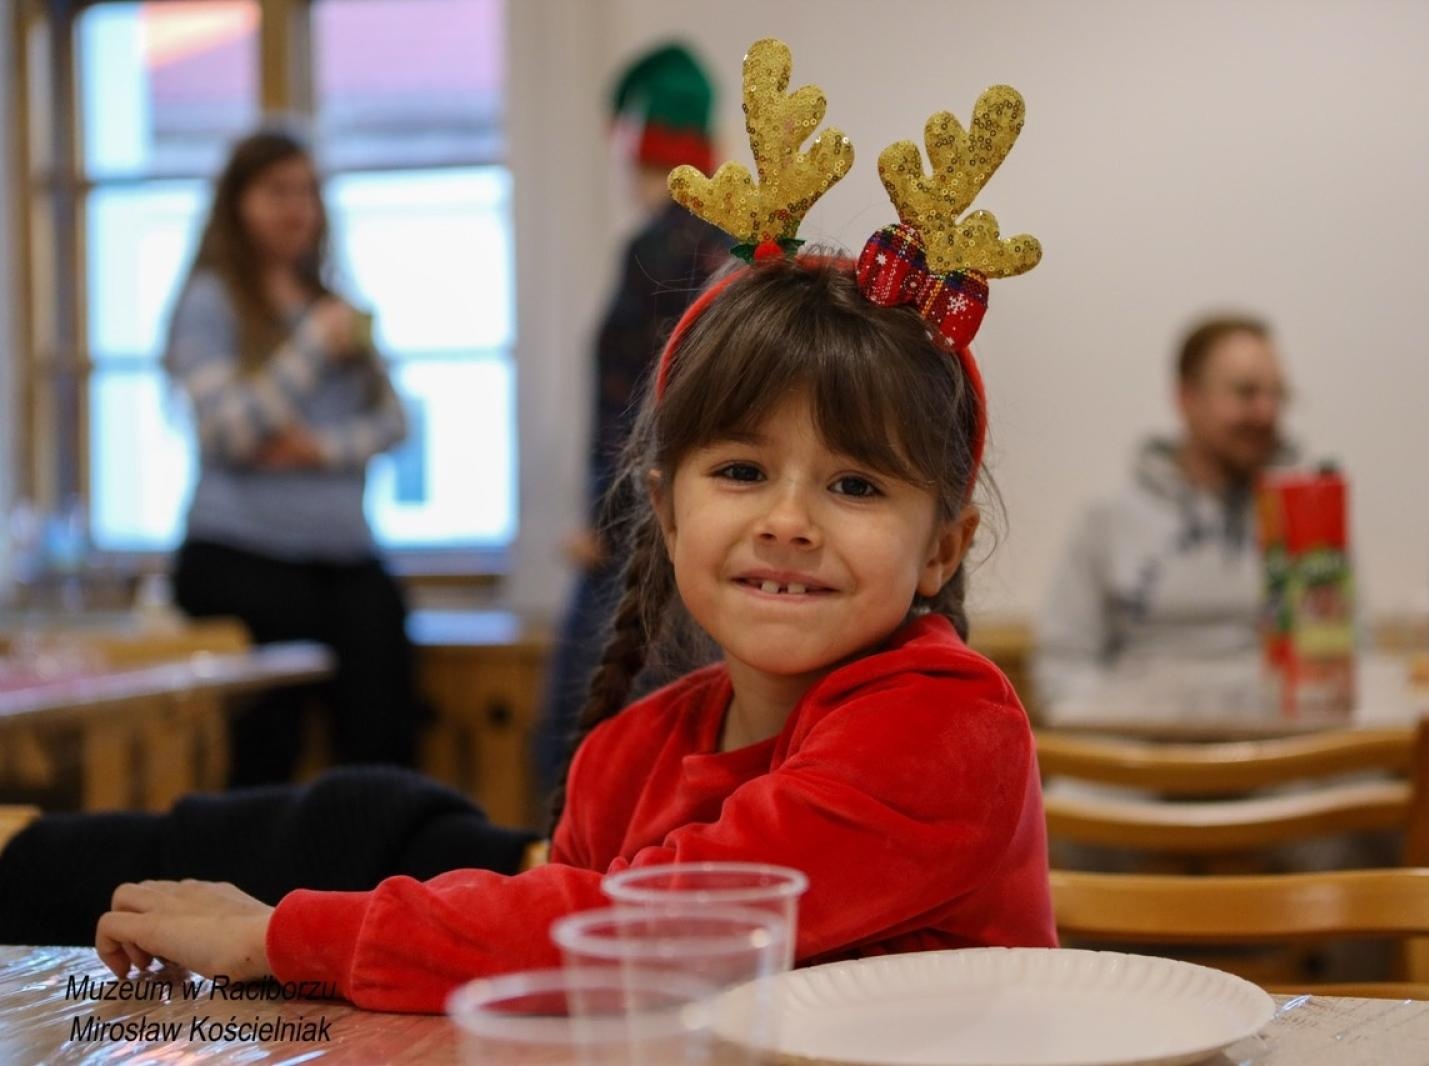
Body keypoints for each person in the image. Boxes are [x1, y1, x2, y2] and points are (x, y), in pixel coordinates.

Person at [81, 43, 1056, 1013]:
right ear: (667, 510)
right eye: (742, 471)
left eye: (853, 484)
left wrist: (276, 933)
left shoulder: (943, 723)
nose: (789, 520)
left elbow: (639, 932)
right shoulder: (624, 756)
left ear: (941, 545)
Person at [164, 130, 419, 784]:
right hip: (242, 553)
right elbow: (227, 432)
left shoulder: (333, 306)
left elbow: (396, 422)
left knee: (383, 741)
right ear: (237, 203)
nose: (296, 207)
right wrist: (307, 350)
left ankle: (376, 877)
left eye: (306, 191)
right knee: (267, 749)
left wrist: (317, 449)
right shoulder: (211, 302)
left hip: (343, 559)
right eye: (277, 191)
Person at [539, 43, 728, 800]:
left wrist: (605, 519)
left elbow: (638, 404)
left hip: (634, 541)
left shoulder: (653, 251)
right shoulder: (727, 252)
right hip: (697, 530)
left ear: (634, 142)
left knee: (579, 754)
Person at [1032, 314, 1293, 714]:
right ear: (1187, 398)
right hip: (1136, 758)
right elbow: (1063, 665)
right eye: (1246, 393)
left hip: (1281, 754)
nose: (1266, 412)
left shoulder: (1305, 514)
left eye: (1277, 395)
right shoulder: (1107, 517)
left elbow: (1350, 649)